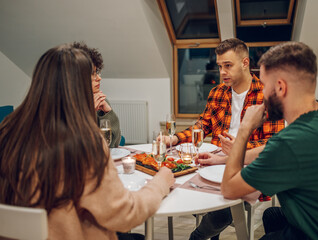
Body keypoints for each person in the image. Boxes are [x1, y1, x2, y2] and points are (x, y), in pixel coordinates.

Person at [0, 44, 175, 240]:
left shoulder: (7, 129)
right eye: (92, 74)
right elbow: (126, 214)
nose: (98, 78)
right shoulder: (84, 143)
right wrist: (161, 182)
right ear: (74, 85)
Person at [221, 42, 318, 239]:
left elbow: (229, 188)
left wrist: (245, 128)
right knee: (272, 215)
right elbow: (272, 150)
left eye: (264, 84)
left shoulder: (291, 143)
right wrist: (222, 158)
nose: (262, 93)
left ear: (280, 87)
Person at [186, 38, 285, 240]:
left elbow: (272, 143)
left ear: (245, 63)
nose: (222, 72)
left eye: (228, 66)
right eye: (220, 66)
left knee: (224, 205)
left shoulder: (268, 94)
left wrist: (239, 148)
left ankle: (198, 237)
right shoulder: (217, 92)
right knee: (188, 184)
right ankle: (210, 234)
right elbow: (202, 125)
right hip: (216, 161)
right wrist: (174, 139)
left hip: (251, 165)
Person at [72, 41, 121, 148]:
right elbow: (77, 148)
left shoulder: (100, 100)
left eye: (97, 72)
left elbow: (113, 144)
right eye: (93, 74)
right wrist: (88, 113)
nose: (99, 78)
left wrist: (108, 113)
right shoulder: (67, 105)